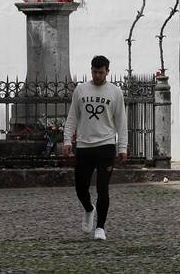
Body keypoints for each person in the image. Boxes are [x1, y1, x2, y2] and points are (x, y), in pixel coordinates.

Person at [63, 55, 127, 240]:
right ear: (91, 70)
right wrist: (68, 141)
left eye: (101, 72)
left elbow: (121, 122)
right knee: (80, 188)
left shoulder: (115, 92)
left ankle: (100, 227)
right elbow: (72, 117)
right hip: (84, 146)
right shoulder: (81, 89)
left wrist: (122, 147)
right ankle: (89, 209)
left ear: (107, 71)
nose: (97, 75)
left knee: (103, 189)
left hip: (106, 146)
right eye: (94, 71)